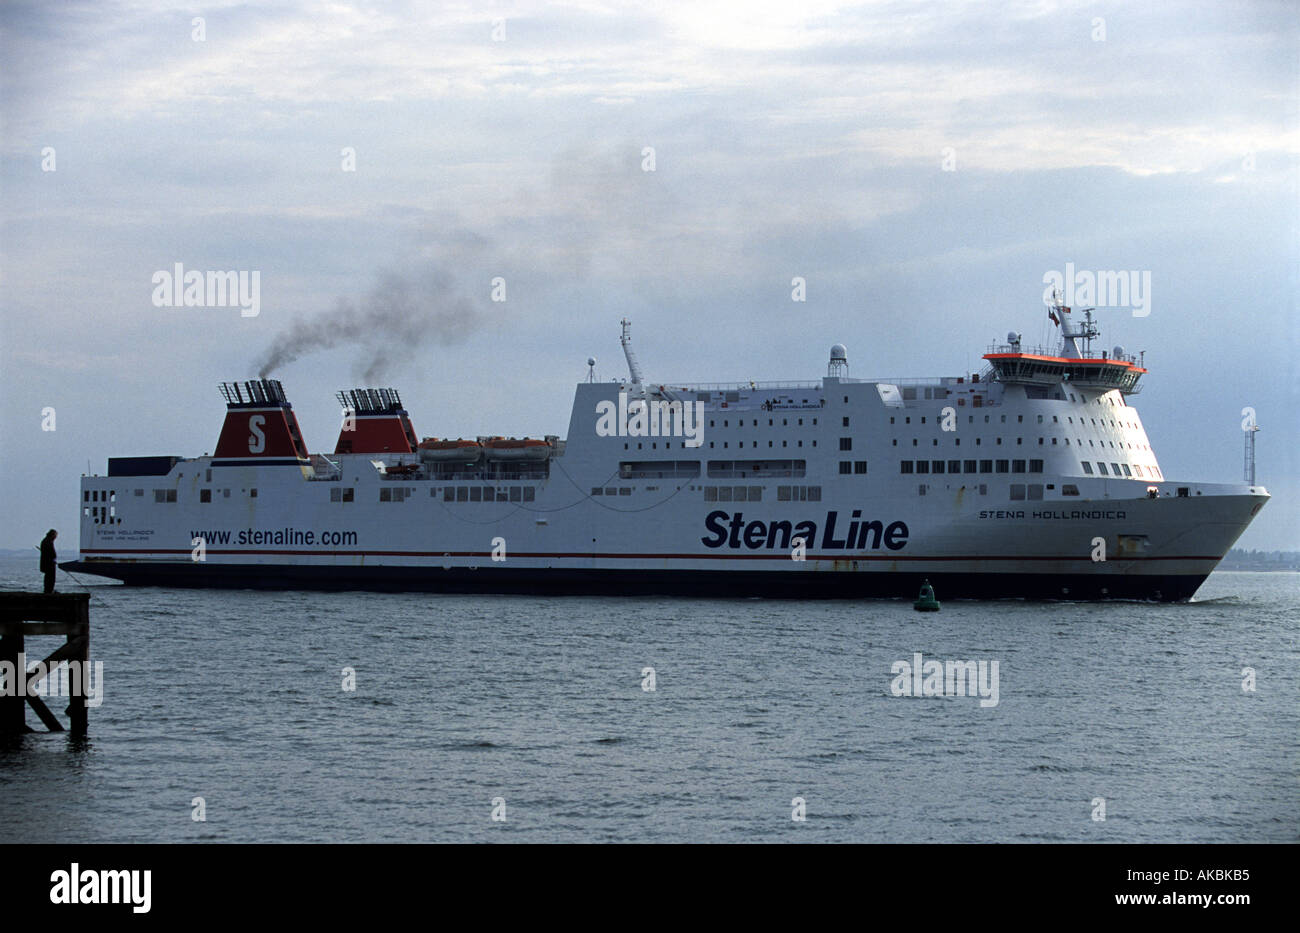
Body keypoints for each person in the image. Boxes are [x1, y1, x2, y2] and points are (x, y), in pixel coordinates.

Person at [39, 529, 57, 594]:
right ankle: (49, 590)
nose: (56, 537)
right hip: (49, 563)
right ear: (52, 535)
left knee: (48, 578)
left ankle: (48, 590)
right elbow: (50, 553)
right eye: (55, 535)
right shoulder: (48, 541)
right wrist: (53, 558)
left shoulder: (46, 541)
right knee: (50, 578)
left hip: (47, 563)